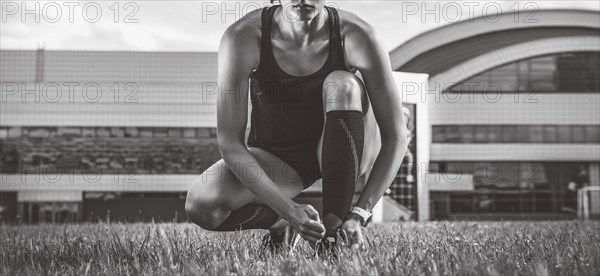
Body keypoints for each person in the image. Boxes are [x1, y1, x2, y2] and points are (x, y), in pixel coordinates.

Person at [185, 0, 409, 255]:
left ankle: (333, 239)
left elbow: (396, 137)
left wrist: (359, 213)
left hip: (350, 146)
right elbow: (230, 143)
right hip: (283, 158)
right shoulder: (244, 36)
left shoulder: (357, 34)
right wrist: (288, 211)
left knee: (342, 83)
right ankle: (281, 226)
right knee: (202, 204)